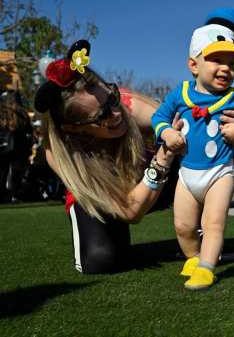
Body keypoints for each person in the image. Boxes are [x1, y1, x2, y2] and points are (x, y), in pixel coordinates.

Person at [35, 40, 186, 273]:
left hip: (142, 176)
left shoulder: (127, 104)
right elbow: (130, 212)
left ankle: (198, 230)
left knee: (192, 154)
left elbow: (184, 129)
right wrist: (163, 159)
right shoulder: (59, 152)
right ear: (75, 128)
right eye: (103, 115)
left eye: (113, 97)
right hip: (102, 198)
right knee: (99, 259)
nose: (117, 112)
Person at [151, 8, 234, 290]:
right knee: (183, 227)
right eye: (216, 59)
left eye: (232, 63)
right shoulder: (180, 93)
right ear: (193, 64)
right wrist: (166, 133)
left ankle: (207, 267)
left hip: (219, 173)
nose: (226, 68)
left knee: (213, 224)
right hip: (187, 174)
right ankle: (193, 257)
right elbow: (158, 117)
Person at [0, 91, 34, 203]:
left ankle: (5, 194)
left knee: (4, 171)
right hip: (19, 147)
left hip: (6, 146)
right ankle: (12, 194)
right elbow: (29, 130)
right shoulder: (21, 113)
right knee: (16, 172)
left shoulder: (5, 112)